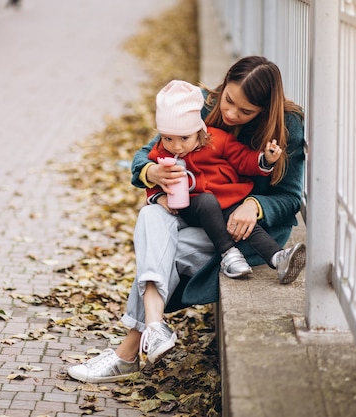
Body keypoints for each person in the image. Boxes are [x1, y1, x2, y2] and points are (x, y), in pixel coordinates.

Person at [67, 56, 305, 384]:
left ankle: (128, 353)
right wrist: (153, 173)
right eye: (229, 100)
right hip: (191, 210)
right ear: (223, 88)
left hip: (241, 229)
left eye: (245, 111)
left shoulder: (286, 126)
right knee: (152, 214)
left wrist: (255, 205)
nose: (231, 114)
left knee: (167, 252)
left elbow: (292, 197)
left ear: (264, 111)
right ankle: (153, 326)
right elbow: (145, 155)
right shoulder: (202, 106)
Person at [147, 80, 306, 282]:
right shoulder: (162, 151)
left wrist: (265, 160)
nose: (176, 146)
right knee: (207, 202)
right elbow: (151, 178)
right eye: (168, 138)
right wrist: (158, 196)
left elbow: (243, 159)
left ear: (198, 130)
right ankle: (228, 254)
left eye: (184, 138)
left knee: (238, 218)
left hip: (222, 203)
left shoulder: (217, 140)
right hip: (188, 206)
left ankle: (277, 257)